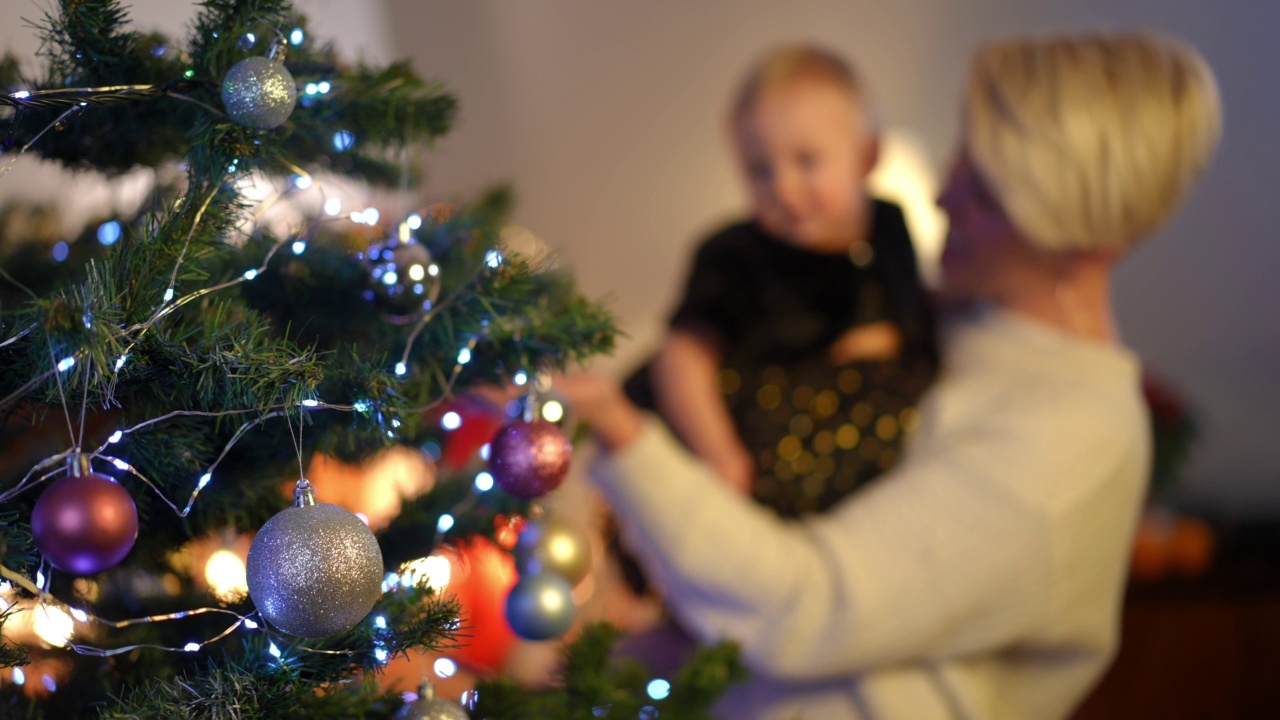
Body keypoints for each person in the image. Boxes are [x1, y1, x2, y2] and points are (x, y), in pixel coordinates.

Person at [563, 30, 1222, 720]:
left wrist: (626, 437)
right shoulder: (955, 324)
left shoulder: (1068, 441)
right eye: (965, 155)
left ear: (1086, 245)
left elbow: (802, 609)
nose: (942, 197)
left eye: (988, 197)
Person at [626, 44, 937, 518]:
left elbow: (912, 310)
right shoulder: (735, 255)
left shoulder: (889, 226)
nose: (784, 188)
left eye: (807, 161)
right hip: (748, 424)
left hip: (847, 429)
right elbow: (681, 357)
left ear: (867, 156)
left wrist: (893, 337)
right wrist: (719, 454)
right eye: (760, 170)